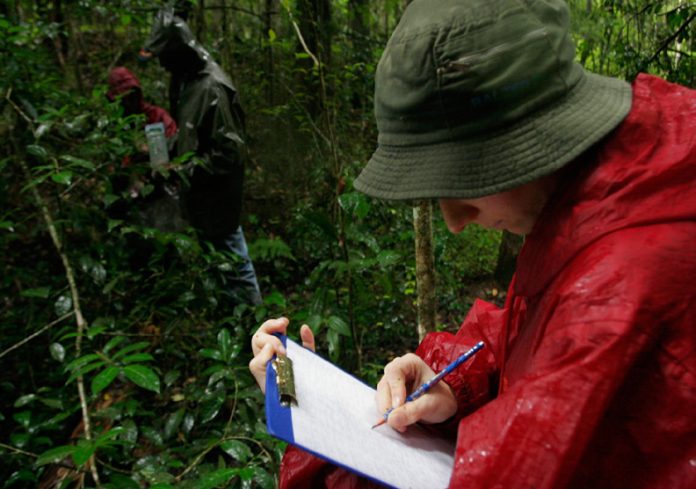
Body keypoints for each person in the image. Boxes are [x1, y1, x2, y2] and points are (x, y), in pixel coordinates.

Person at [249, 0, 696, 487]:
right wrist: (460, 383)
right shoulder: (621, 183)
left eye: (468, 179)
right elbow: (542, 331)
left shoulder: (620, 287)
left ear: (539, 140)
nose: (454, 220)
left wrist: (311, 430)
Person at [139, 7, 262, 307]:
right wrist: (166, 151)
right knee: (220, 262)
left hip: (218, 199)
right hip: (201, 199)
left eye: (167, 58)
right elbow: (192, 134)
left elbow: (228, 154)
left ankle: (259, 327)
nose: (165, 67)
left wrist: (181, 169)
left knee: (236, 263)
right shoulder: (189, 83)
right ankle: (233, 318)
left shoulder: (211, 88)